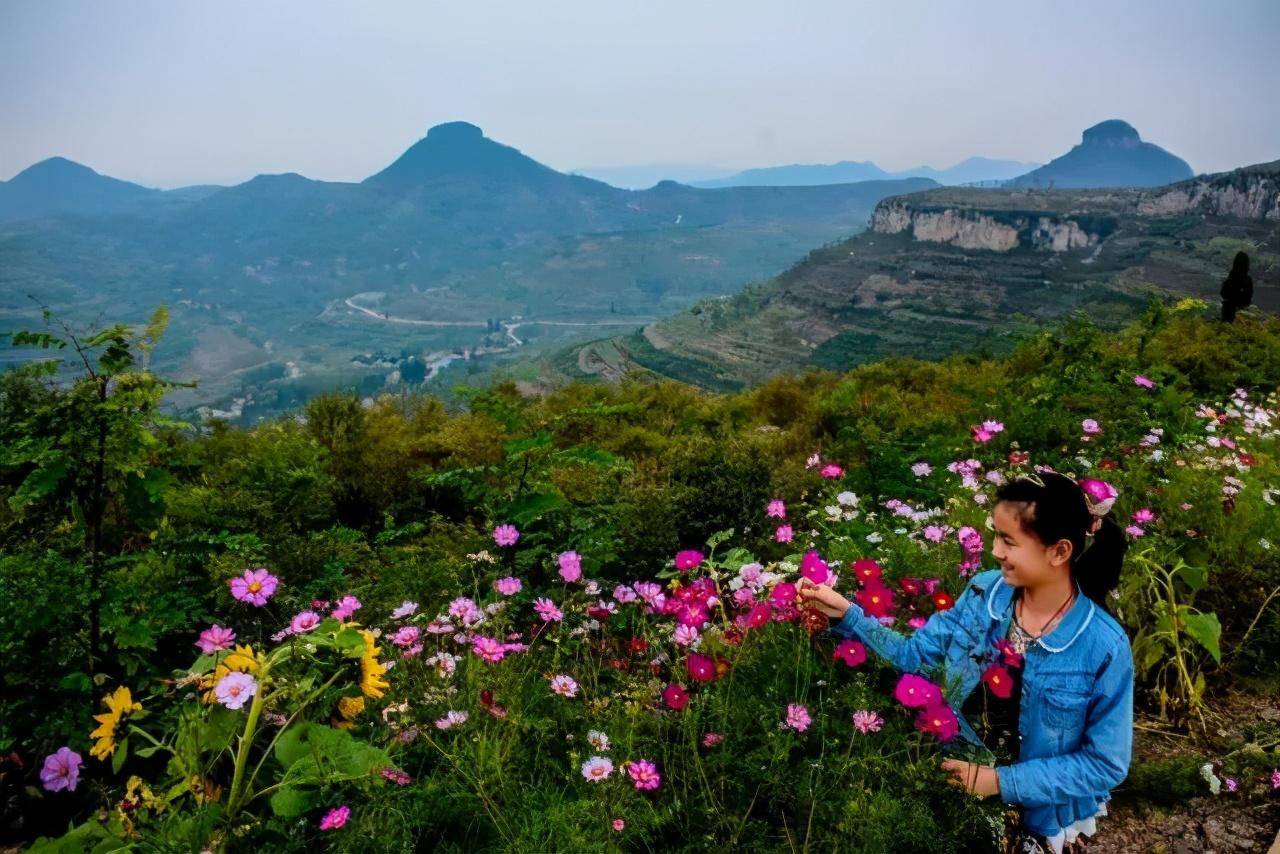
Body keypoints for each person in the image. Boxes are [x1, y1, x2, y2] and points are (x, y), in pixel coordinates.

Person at [799, 470, 1133, 853]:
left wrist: (998, 781)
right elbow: (914, 656)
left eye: (1010, 541)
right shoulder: (985, 592)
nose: (996, 550)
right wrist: (847, 614)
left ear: (1058, 551)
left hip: (1040, 812)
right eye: (995, 534)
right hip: (960, 777)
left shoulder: (1102, 645)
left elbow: (1104, 764)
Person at [1220, 251, 1253, 323]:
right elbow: (1248, 297)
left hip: (1227, 308)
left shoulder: (1231, 277)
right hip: (1239, 307)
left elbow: (1223, 293)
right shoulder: (1247, 279)